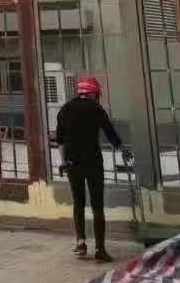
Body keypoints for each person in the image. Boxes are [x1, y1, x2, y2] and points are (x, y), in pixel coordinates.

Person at [54, 75, 129, 262]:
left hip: (72, 163)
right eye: (98, 95)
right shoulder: (96, 109)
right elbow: (109, 132)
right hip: (93, 163)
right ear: (94, 93)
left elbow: (60, 140)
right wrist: (121, 149)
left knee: (78, 202)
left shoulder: (65, 109)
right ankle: (100, 249)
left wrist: (64, 161)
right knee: (97, 205)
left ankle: (80, 242)